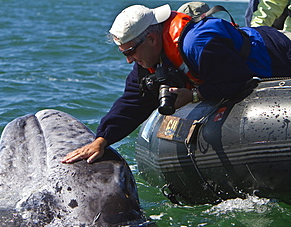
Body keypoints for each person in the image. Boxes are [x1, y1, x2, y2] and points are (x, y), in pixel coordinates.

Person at [62, 3, 291, 164]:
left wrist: (194, 96)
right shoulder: (148, 59)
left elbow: (238, 80)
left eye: (130, 51)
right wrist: (101, 140)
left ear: (151, 39)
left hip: (277, 55)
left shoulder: (198, 44)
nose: (129, 59)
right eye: (124, 53)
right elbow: (133, 101)